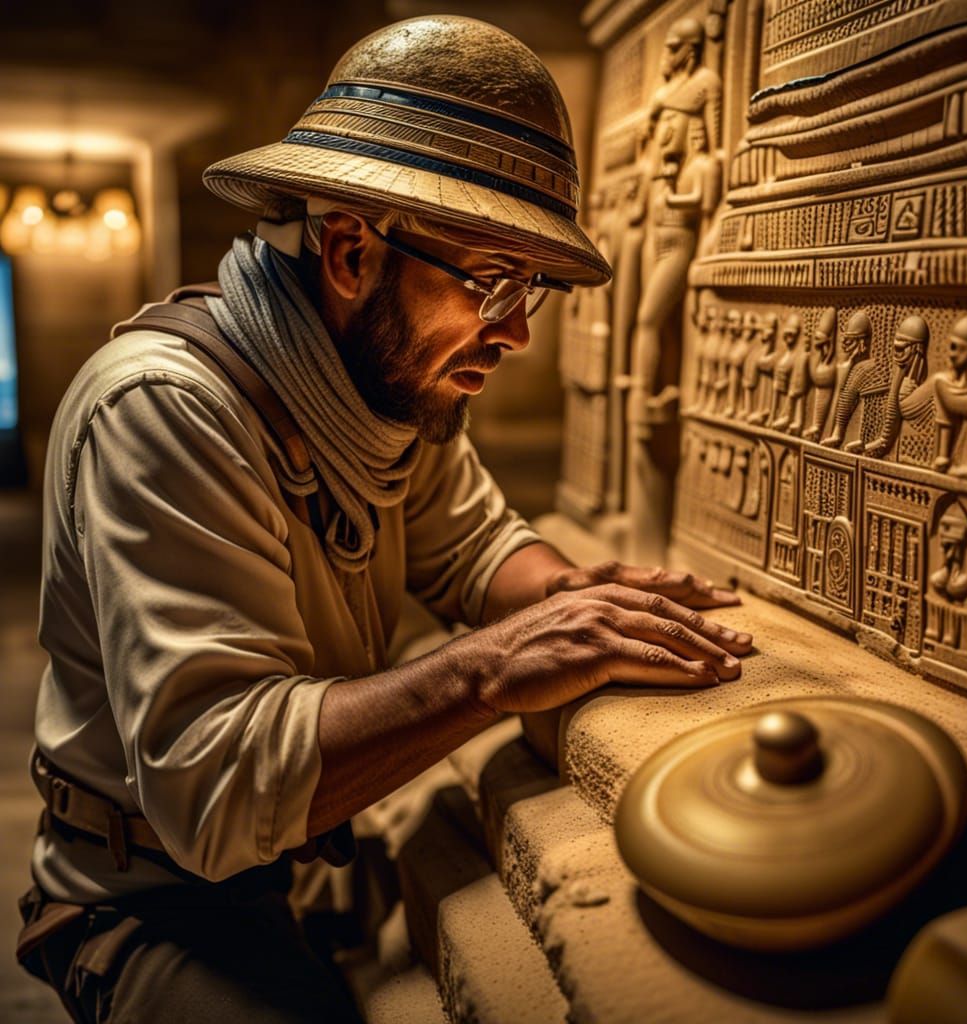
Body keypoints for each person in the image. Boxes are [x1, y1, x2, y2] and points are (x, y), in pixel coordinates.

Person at [17, 16, 753, 1023]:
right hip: (149, 895)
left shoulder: (387, 384)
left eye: (529, 285)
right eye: (491, 280)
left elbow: (476, 547)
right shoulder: (165, 410)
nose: (520, 330)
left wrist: (578, 601)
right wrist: (497, 665)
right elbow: (214, 787)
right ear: (355, 251)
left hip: (304, 852)